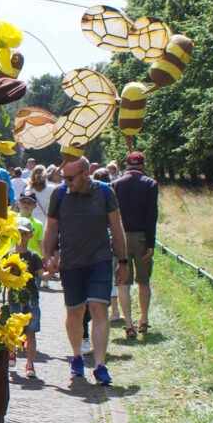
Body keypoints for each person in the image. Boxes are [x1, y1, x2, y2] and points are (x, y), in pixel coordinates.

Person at [42, 156, 128, 386]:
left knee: (99, 309)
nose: (66, 182)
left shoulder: (105, 193)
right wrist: (48, 256)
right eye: (64, 177)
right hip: (71, 263)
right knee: (74, 312)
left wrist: (123, 261)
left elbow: (116, 227)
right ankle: (77, 356)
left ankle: (100, 365)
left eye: (70, 178)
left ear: (86, 173)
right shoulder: (59, 194)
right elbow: (51, 227)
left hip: (99, 260)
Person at [113, 151, 159, 338]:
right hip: (141, 236)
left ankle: (129, 323)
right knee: (143, 281)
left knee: (123, 282)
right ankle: (144, 319)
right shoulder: (150, 184)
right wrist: (151, 242)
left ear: (126, 165)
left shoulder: (115, 184)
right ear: (143, 165)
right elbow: (151, 216)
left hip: (120, 237)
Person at [92, 168, 122, 322]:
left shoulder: (97, 194)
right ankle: (115, 310)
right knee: (112, 277)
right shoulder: (113, 191)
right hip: (114, 238)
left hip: (102, 240)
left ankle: (110, 310)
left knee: (107, 277)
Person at [15, 217, 44, 379]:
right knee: (11, 330)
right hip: (13, 299)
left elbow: (42, 275)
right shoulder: (9, 255)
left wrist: (51, 271)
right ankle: (11, 353)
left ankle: (30, 363)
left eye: (24, 233)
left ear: (31, 235)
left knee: (31, 332)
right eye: (18, 233)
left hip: (31, 298)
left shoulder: (33, 256)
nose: (21, 236)